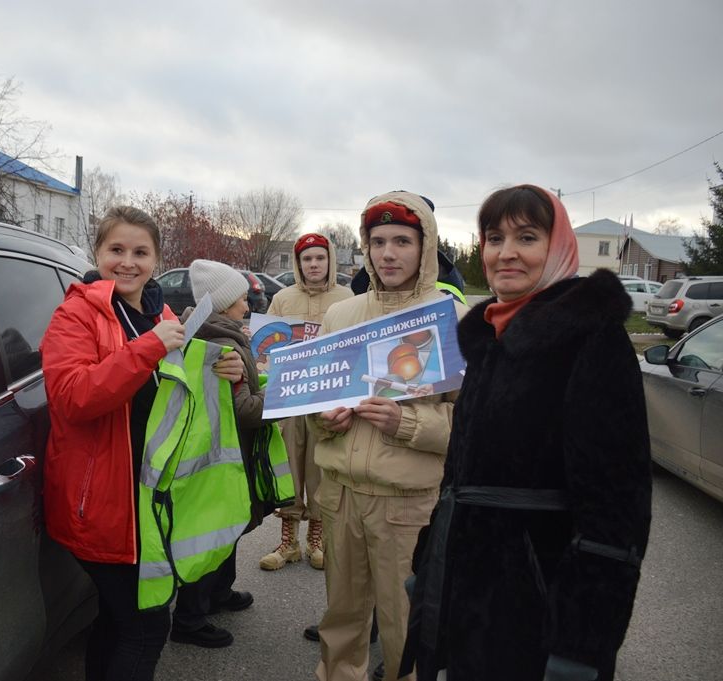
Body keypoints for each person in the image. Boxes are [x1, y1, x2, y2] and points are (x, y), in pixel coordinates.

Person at [399, 185, 652, 681]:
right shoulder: (493, 338)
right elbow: (460, 473)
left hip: (539, 605)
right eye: (494, 238)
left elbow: (616, 510)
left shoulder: (592, 340)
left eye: (527, 237)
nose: (506, 252)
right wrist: (430, 568)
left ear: (557, 249)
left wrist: (582, 639)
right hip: (472, 588)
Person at [41, 207, 243, 681]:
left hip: (147, 498)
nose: (127, 262)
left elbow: (177, 389)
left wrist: (225, 374)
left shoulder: (157, 310)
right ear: (97, 254)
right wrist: (149, 347)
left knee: (115, 622)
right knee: (148, 627)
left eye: (140, 252)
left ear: (156, 258)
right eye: (116, 250)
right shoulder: (77, 314)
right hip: (105, 505)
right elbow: (73, 397)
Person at [311, 191, 466, 681]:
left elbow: (474, 425)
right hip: (340, 496)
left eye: (402, 240)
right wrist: (323, 419)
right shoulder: (341, 315)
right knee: (341, 622)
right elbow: (315, 398)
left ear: (426, 247)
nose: (389, 252)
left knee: (405, 627)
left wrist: (408, 423)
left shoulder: (450, 320)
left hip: (406, 504)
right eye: (378, 241)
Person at [169, 259, 275, 648]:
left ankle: (219, 593)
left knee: (226, 526)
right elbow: (245, 412)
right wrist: (278, 395)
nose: (248, 307)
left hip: (218, 452)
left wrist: (256, 376)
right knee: (215, 531)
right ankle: (190, 618)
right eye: (242, 300)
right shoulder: (223, 345)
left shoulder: (209, 331)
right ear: (225, 304)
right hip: (221, 456)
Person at [259, 233, 353, 571]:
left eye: (319, 258)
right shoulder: (283, 299)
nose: (313, 265)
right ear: (299, 264)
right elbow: (265, 347)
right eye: (307, 259)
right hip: (290, 398)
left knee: (319, 468)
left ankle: (317, 540)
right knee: (290, 465)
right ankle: (288, 543)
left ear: (330, 261)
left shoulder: (346, 298)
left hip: (327, 398)